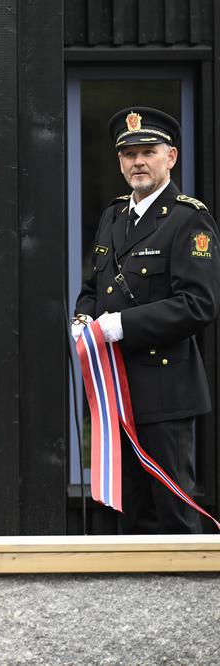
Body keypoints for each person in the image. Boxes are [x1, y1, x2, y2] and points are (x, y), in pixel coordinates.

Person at [73, 107, 220, 534]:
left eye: (148, 152)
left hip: (164, 388)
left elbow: (199, 304)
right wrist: (83, 319)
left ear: (170, 157)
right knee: (129, 513)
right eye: (128, 154)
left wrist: (121, 325)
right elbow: (93, 286)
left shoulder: (188, 218)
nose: (137, 162)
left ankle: (189, 604)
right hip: (113, 389)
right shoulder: (113, 216)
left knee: (173, 514)